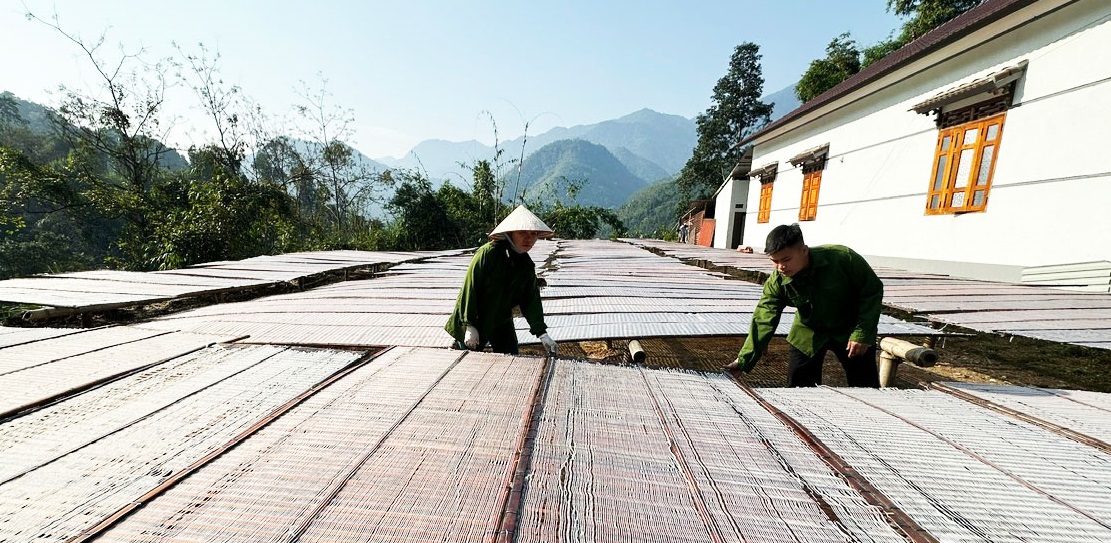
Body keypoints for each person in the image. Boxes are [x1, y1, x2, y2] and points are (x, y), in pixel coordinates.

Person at [724, 223, 882, 387]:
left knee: (865, 387)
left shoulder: (843, 258)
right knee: (798, 389)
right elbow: (764, 318)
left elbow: (872, 292)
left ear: (804, 250)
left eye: (786, 259)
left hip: (850, 329)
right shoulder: (777, 281)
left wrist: (863, 332)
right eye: (775, 261)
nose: (781, 267)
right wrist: (743, 361)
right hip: (808, 331)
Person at [445, 205, 559, 356]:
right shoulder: (488, 254)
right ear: (510, 233)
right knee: (466, 358)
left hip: (501, 318)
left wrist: (542, 333)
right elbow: (469, 289)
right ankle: (458, 345)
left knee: (511, 355)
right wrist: (469, 325)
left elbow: (531, 300)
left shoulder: (526, 265)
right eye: (522, 233)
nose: (528, 238)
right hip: (476, 315)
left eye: (533, 234)